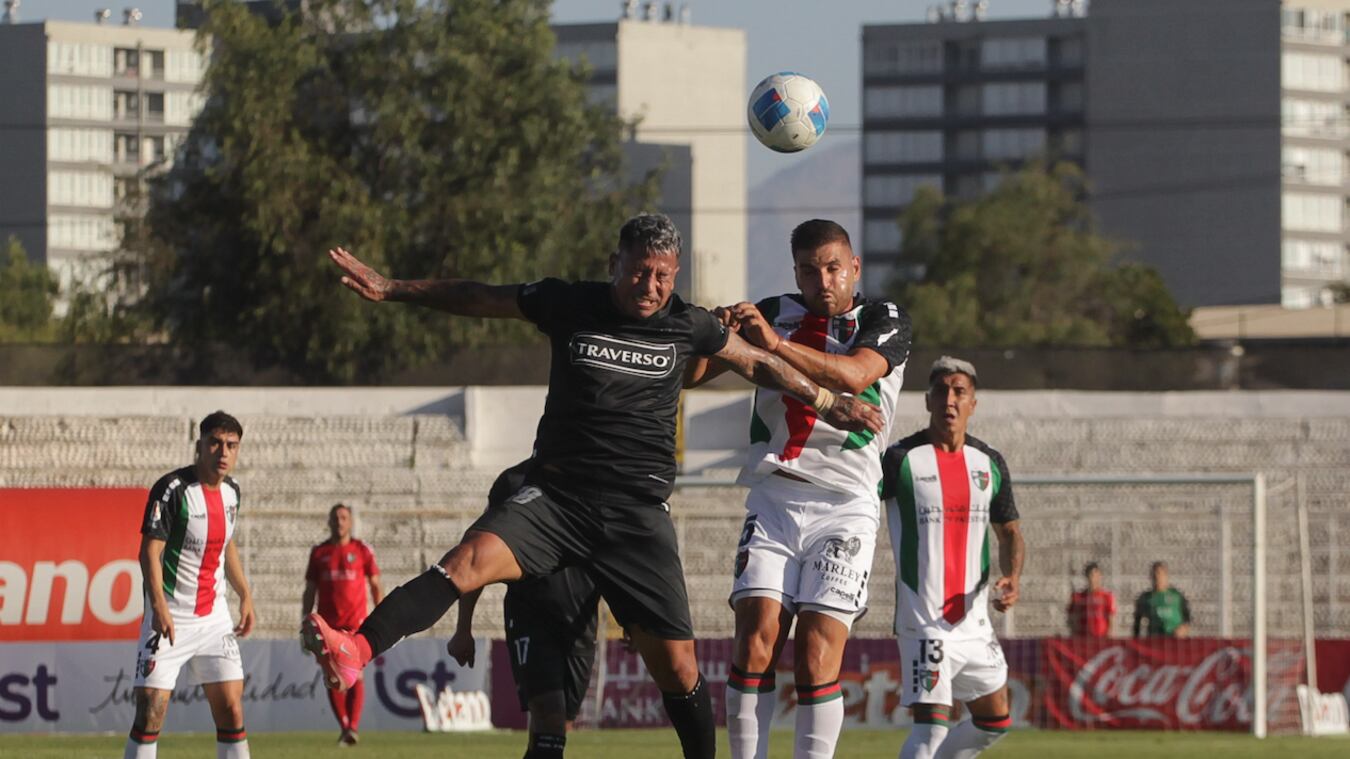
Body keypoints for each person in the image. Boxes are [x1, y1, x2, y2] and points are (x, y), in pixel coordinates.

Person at [304, 213, 882, 759]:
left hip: (636, 518)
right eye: (638, 271)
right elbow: (483, 296)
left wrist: (831, 403)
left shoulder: (689, 323)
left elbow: (759, 365)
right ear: (615, 262)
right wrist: (395, 287)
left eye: (661, 276)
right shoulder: (569, 303)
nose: (649, 286)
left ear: (675, 276)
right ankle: (356, 649)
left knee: (680, 670)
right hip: (556, 500)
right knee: (463, 562)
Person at [685, 219, 911, 759]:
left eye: (834, 268)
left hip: (846, 506)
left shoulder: (883, 318)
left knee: (815, 650)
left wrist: (773, 343)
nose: (823, 280)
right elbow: (695, 376)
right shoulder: (772, 310)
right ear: (796, 273)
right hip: (775, 497)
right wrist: (713, 335)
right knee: (756, 639)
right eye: (810, 271)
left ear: (854, 268)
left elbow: (855, 378)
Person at [881, 358, 1025, 759]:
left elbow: (1010, 530)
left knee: (995, 720)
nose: (950, 399)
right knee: (929, 732)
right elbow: (857, 506)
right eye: (942, 390)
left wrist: (1012, 576)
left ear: (973, 403)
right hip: (924, 622)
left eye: (959, 391)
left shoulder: (989, 463)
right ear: (928, 400)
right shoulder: (900, 459)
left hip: (974, 623)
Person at [447, 461, 603, 757]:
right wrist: (463, 627)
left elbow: (614, 551)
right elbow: (477, 551)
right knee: (549, 714)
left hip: (580, 619)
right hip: (530, 614)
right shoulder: (513, 482)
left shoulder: (593, 475)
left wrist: (632, 616)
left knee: (559, 723)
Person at [125, 411, 256, 759]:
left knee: (232, 709)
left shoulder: (233, 492)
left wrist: (244, 594)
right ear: (199, 445)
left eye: (231, 445)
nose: (223, 452)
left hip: (214, 620)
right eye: (215, 442)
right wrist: (158, 607)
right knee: (151, 711)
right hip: (170, 619)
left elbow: (227, 544)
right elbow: (149, 552)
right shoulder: (172, 489)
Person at [302, 503, 384, 745]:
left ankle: (352, 727)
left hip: (355, 625)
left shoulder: (361, 550)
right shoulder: (319, 552)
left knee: (356, 674)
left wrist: (381, 618)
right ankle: (346, 727)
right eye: (335, 517)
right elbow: (310, 590)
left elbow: (376, 584)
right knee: (332, 676)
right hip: (326, 627)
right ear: (329, 521)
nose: (339, 521)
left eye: (344, 517)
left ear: (350, 522)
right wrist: (306, 620)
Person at [1132, 561, 1192, 638]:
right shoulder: (1145, 598)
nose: (1157, 577)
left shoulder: (1177, 595)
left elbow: (1187, 618)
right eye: (1154, 574)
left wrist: (1183, 629)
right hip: (1155, 641)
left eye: (1160, 574)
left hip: (1176, 641)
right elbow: (1137, 623)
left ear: (1166, 576)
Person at [1066, 562, 1115, 638]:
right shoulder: (1078, 597)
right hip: (1082, 639)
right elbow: (1071, 617)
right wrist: (1074, 633)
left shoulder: (1106, 596)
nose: (1092, 578)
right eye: (1090, 574)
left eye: (1094, 574)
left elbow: (1111, 618)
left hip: (1101, 638)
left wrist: (1108, 636)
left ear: (1099, 575)